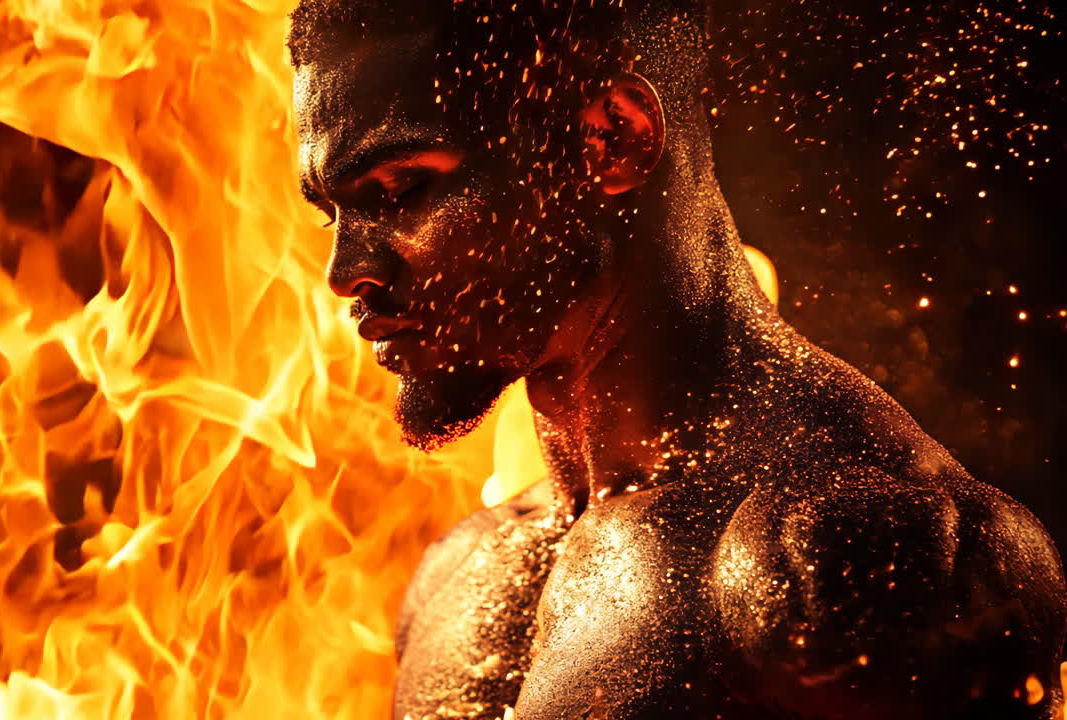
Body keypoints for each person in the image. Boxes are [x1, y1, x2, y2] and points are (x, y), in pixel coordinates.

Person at [286, 1, 1067, 717]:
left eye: (399, 190)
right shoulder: (463, 570)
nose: (346, 271)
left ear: (610, 140)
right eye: (334, 213)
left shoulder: (866, 557)